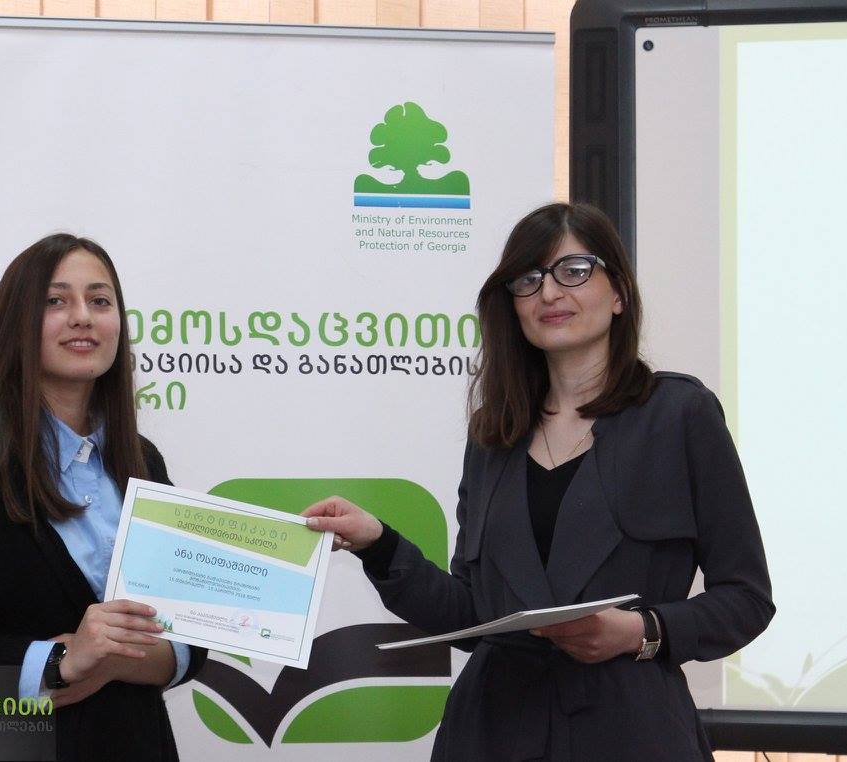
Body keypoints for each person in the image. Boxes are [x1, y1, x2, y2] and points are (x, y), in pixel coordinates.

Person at [303, 202, 774, 761]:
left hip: (630, 733)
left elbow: (746, 599)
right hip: (492, 736)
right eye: (528, 280)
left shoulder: (679, 414)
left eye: (573, 271)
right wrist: (379, 545)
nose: (549, 292)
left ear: (619, 294)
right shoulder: (494, 434)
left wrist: (640, 630)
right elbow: (475, 617)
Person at [0, 233, 205, 761]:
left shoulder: (142, 460)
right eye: (56, 301)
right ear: (17, 322)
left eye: (99, 301)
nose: (82, 317)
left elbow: (186, 637)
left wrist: (110, 659)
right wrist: (60, 661)